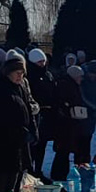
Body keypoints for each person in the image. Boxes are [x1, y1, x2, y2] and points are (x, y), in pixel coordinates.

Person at [0, 52, 36, 192]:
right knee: (4, 176)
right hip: (4, 140)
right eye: (17, 73)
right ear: (8, 72)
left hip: (20, 141)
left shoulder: (20, 87)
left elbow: (27, 108)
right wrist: (17, 130)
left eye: (22, 73)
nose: (20, 76)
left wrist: (32, 130)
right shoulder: (0, 87)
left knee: (17, 173)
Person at [50, 64, 92, 180]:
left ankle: (61, 173)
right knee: (63, 150)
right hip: (66, 123)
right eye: (80, 76)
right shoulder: (66, 85)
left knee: (65, 150)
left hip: (70, 122)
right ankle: (59, 174)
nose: (81, 79)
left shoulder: (71, 84)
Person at [26, 48, 57, 178]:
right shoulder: (29, 76)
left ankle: (38, 170)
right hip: (34, 113)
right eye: (39, 62)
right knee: (33, 145)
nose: (42, 64)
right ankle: (29, 171)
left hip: (47, 113)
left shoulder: (48, 75)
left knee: (42, 144)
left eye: (43, 61)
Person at [81, 60, 96, 155]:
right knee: (82, 138)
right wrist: (93, 106)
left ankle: (86, 158)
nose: (95, 77)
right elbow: (82, 96)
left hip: (93, 113)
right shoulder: (83, 81)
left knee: (89, 136)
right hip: (84, 111)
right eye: (93, 74)